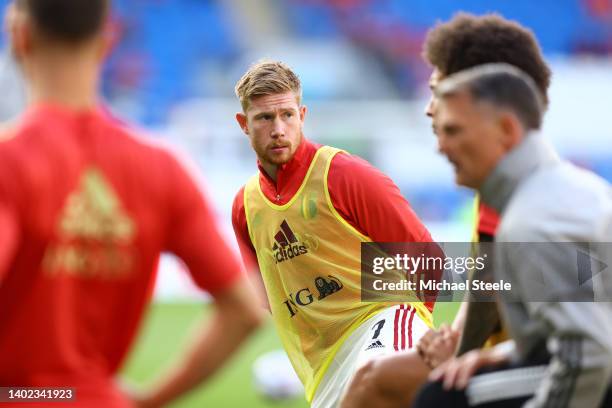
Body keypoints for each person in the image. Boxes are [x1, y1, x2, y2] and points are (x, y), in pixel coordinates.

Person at [0, 1, 262, 407]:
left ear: (18, 35)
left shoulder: (9, 162)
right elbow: (245, 311)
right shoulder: (162, 169)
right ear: (107, 41)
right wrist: (148, 401)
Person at [341, 13, 553, 407]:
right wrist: (454, 338)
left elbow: (565, 312)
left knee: (423, 393)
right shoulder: (500, 179)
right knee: (376, 379)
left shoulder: (526, 188)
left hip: (556, 370)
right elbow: (489, 284)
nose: (428, 108)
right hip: (523, 357)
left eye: (438, 90)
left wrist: (461, 351)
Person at [232, 60, 436, 408]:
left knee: (378, 376)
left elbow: (427, 259)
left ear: (303, 115)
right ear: (244, 124)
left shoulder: (344, 175)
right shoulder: (245, 208)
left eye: (287, 115)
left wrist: (417, 324)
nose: (278, 129)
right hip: (325, 367)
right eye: (265, 118)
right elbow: (267, 298)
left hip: (384, 319)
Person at [414, 63, 612, 407]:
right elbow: (590, 319)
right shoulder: (569, 190)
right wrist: (501, 354)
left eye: (454, 131)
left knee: (442, 400)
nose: (441, 147)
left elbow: (588, 354)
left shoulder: (535, 219)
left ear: (506, 129)